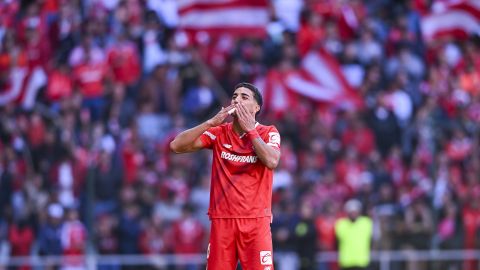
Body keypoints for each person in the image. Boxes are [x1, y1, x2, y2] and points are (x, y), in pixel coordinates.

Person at [170, 82, 281, 270]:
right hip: (222, 221)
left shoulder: (268, 132)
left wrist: (251, 131)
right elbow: (176, 146)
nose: (237, 99)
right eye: (235, 96)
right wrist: (210, 123)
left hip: (255, 221)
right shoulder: (220, 133)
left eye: (244, 97)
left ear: (256, 107)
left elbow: (272, 161)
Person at [335, 199, 372, 270]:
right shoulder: (341, 224)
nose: (353, 213)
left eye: (355, 211)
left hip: (362, 262)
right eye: (351, 211)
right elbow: (337, 241)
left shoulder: (367, 223)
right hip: (346, 262)